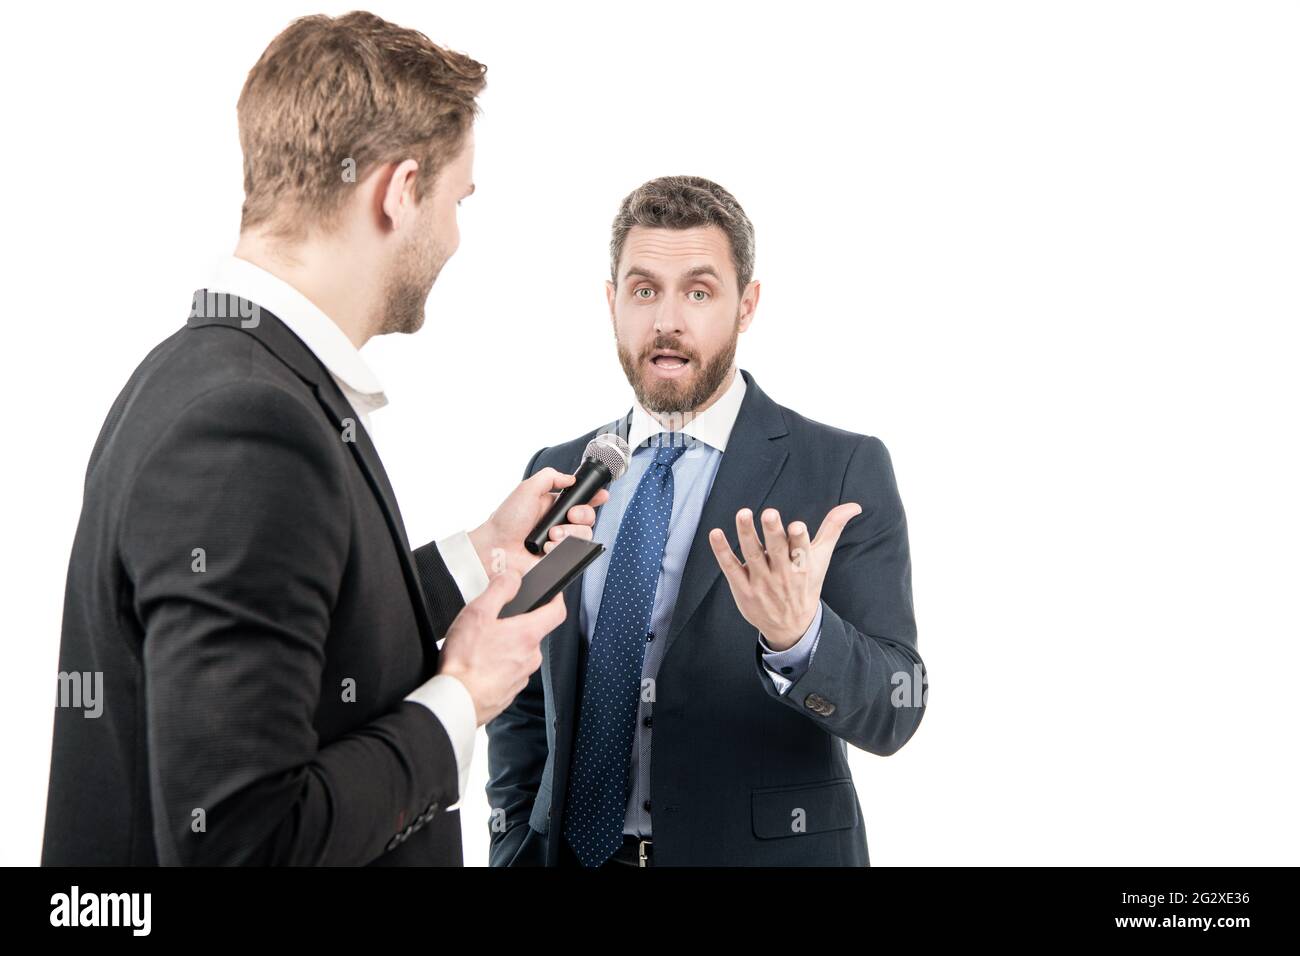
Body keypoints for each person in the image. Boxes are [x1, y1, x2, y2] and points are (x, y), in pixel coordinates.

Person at [40, 11, 605, 866]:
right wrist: (464, 695)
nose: (456, 238)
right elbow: (245, 841)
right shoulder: (245, 428)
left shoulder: (217, 373)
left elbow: (293, 649)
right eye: (457, 202)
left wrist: (477, 554)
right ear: (399, 190)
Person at [486, 176, 926, 867]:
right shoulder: (560, 471)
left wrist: (799, 639)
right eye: (643, 290)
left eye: (698, 292)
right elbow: (520, 683)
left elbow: (896, 709)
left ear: (746, 305)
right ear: (611, 303)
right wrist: (513, 839)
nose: (668, 321)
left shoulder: (839, 468)